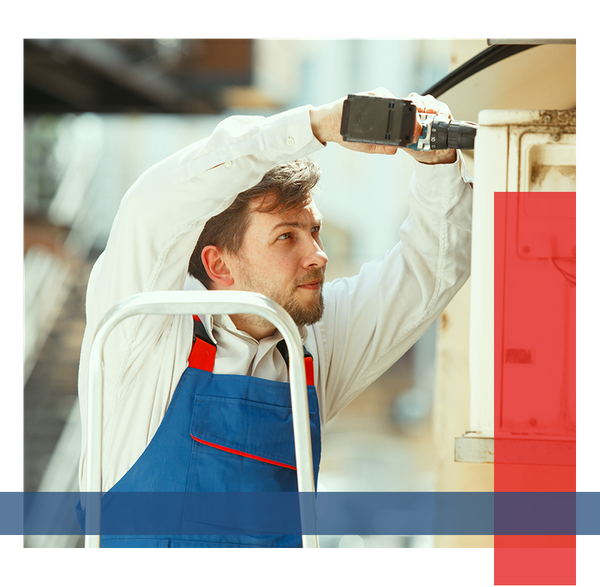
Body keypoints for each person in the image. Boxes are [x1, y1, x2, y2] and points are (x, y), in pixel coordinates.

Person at [77, 89, 473, 548]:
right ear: (218, 265)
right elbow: (153, 204)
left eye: (315, 231)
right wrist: (316, 126)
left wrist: (438, 165)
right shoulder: (144, 334)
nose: (318, 255)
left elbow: (430, 270)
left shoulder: (309, 348)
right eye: (287, 237)